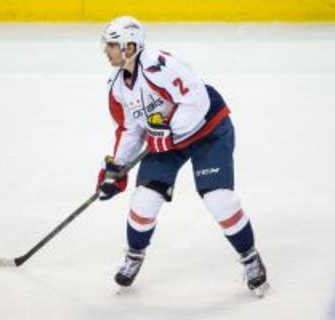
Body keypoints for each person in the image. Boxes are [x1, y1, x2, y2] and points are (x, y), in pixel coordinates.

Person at [96, 16, 269, 297]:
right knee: (143, 201)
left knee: (218, 199)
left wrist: (169, 132)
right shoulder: (116, 85)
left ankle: (249, 256)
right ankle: (134, 255)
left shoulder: (158, 65)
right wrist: (117, 168)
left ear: (130, 47)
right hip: (167, 138)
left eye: (112, 45)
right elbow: (130, 129)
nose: (107, 50)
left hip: (207, 131)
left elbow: (197, 101)